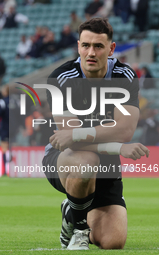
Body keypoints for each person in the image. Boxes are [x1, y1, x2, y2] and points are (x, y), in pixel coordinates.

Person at [42, 18, 149, 250]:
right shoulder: (62, 78)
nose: (91, 52)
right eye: (85, 45)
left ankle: (72, 207)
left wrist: (80, 134)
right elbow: (70, 141)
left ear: (111, 49)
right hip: (65, 158)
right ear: (78, 45)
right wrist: (118, 147)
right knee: (86, 162)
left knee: (113, 242)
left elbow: (125, 130)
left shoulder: (124, 76)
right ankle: (78, 227)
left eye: (98, 46)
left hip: (106, 161)